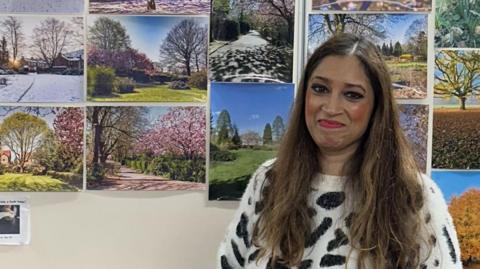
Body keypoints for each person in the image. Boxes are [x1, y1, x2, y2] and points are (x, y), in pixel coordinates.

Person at [217, 33, 462, 269]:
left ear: (376, 108)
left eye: (352, 95)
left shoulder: (414, 196)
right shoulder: (268, 181)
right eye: (320, 89)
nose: (331, 107)